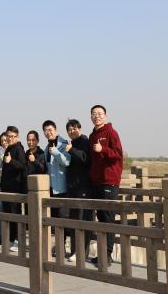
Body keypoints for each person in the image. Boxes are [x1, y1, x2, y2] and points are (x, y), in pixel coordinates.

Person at [88, 105, 124, 267]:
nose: (97, 116)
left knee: (108, 218)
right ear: (91, 117)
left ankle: (107, 255)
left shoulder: (111, 132)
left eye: (100, 113)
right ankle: (102, 253)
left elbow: (118, 154)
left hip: (109, 182)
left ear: (105, 116)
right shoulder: (92, 136)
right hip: (96, 182)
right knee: (101, 219)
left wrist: (103, 149)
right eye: (94, 114)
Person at [42, 120, 71, 258]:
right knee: (53, 218)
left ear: (56, 130)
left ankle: (63, 246)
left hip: (62, 188)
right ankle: (58, 246)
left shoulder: (64, 144)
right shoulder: (47, 147)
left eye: (50, 130)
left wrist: (55, 152)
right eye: (46, 131)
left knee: (62, 219)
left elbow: (66, 162)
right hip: (51, 189)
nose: (48, 132)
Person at [65, 119, 92, 262]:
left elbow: (86, 159)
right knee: (73, 221)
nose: (72, 131)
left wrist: (71, 150)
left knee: (82, 221)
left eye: (74, 128)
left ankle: (82, 252)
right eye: (69, 130)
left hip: (83, 187)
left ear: (80, 128)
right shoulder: (71, 143)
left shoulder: (85, 141)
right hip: (72, 188)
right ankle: (74, 251)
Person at [0, 126, 26, 252]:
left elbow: (22, 166)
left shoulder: (19, 148)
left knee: (15, 215)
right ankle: (10, 239)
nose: (9, 139)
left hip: (15, 188)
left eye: (12, 136)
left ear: (17, 137)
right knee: (8, 214)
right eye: (8, 136)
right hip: (6, 187)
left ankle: (17, 240)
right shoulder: (9, 148)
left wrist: (11, 161)